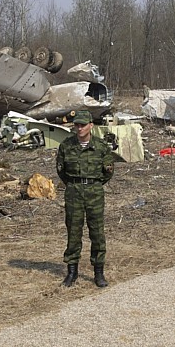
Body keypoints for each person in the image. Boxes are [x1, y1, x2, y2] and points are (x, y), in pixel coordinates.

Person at [56, 110, 115, 288]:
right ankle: (72, 271)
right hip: (73, 191)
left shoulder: (101, 147)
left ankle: (98, 272)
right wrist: (75, 183)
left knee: (97, 232)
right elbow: (61, 170)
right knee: (73, 231)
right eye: (76, 125)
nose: (79, 128)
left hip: (94, 191)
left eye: (83, 125)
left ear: (91, 125)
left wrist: (93, 184)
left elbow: (108, 173)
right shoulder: (66, 146)